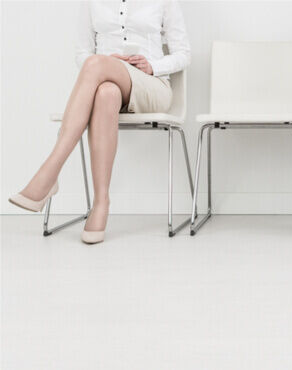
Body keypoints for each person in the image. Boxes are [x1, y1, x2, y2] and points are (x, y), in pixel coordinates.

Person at [8, 1, 190, 244]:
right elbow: (81, 53)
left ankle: (50, 171)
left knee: (95, 63)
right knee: (106, 92)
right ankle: (101, 202)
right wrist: (109, 64)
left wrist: (152, 65)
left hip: (151, 87)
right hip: (108, 84)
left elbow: (183, 54)